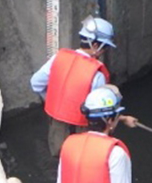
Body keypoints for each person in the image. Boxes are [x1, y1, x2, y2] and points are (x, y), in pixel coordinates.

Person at [30, 16, 137, 156]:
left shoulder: (58, 58)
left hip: (57, 126)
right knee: (83, 160)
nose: (104, 51)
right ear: (95, 45)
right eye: (104, 48)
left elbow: (36, 83)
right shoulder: (96, 74)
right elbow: (100, 111)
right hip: (81, 129)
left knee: (61, 159)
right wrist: (122, 119)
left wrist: (54, 102)